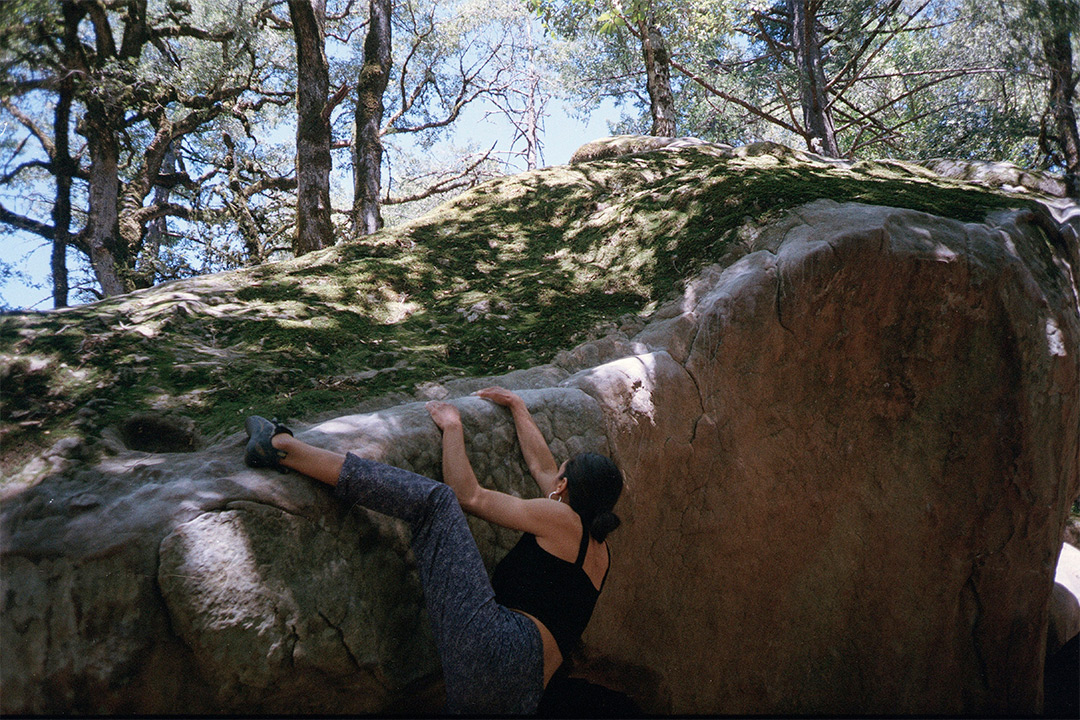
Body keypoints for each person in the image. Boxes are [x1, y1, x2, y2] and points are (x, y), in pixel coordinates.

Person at [242, 386, 624, 715]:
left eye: (561, 473)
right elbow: (542, 467)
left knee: (435, 503)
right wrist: (518, 407)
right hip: (522, 697)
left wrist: (453, 428)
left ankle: (281, 448)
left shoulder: (560, 518)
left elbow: (467, 496)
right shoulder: (597, 550)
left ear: (564, 487)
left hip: (499, 649)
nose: (551, 477)